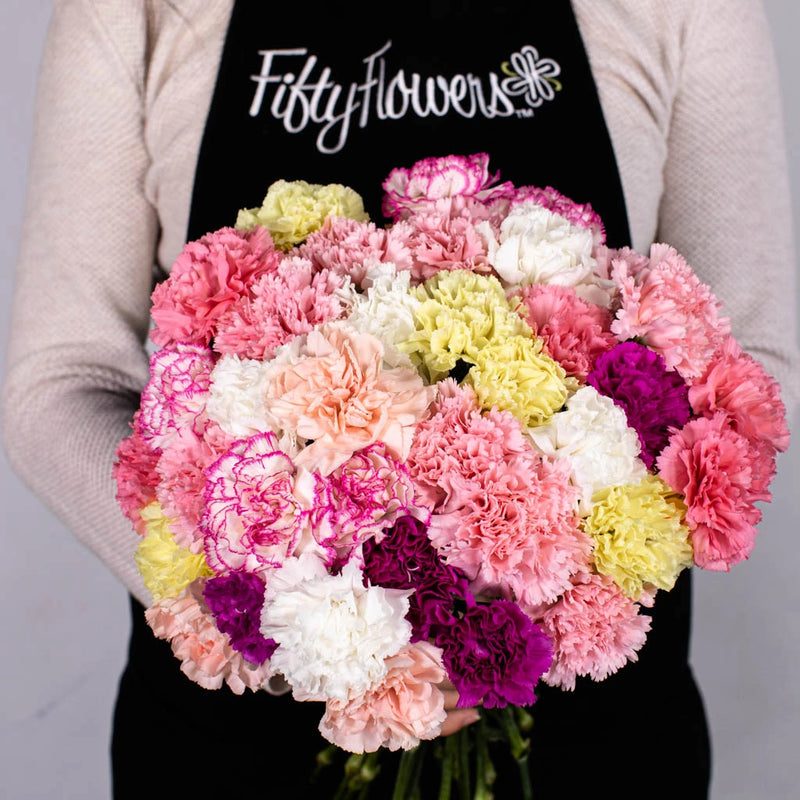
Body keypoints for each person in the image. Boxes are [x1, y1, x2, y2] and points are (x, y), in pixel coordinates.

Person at [3, 0, 798, 798]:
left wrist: (512, 611)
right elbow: (59, 380)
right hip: (235, 748)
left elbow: (746, 369)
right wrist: (293, 622)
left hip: (588, 748)